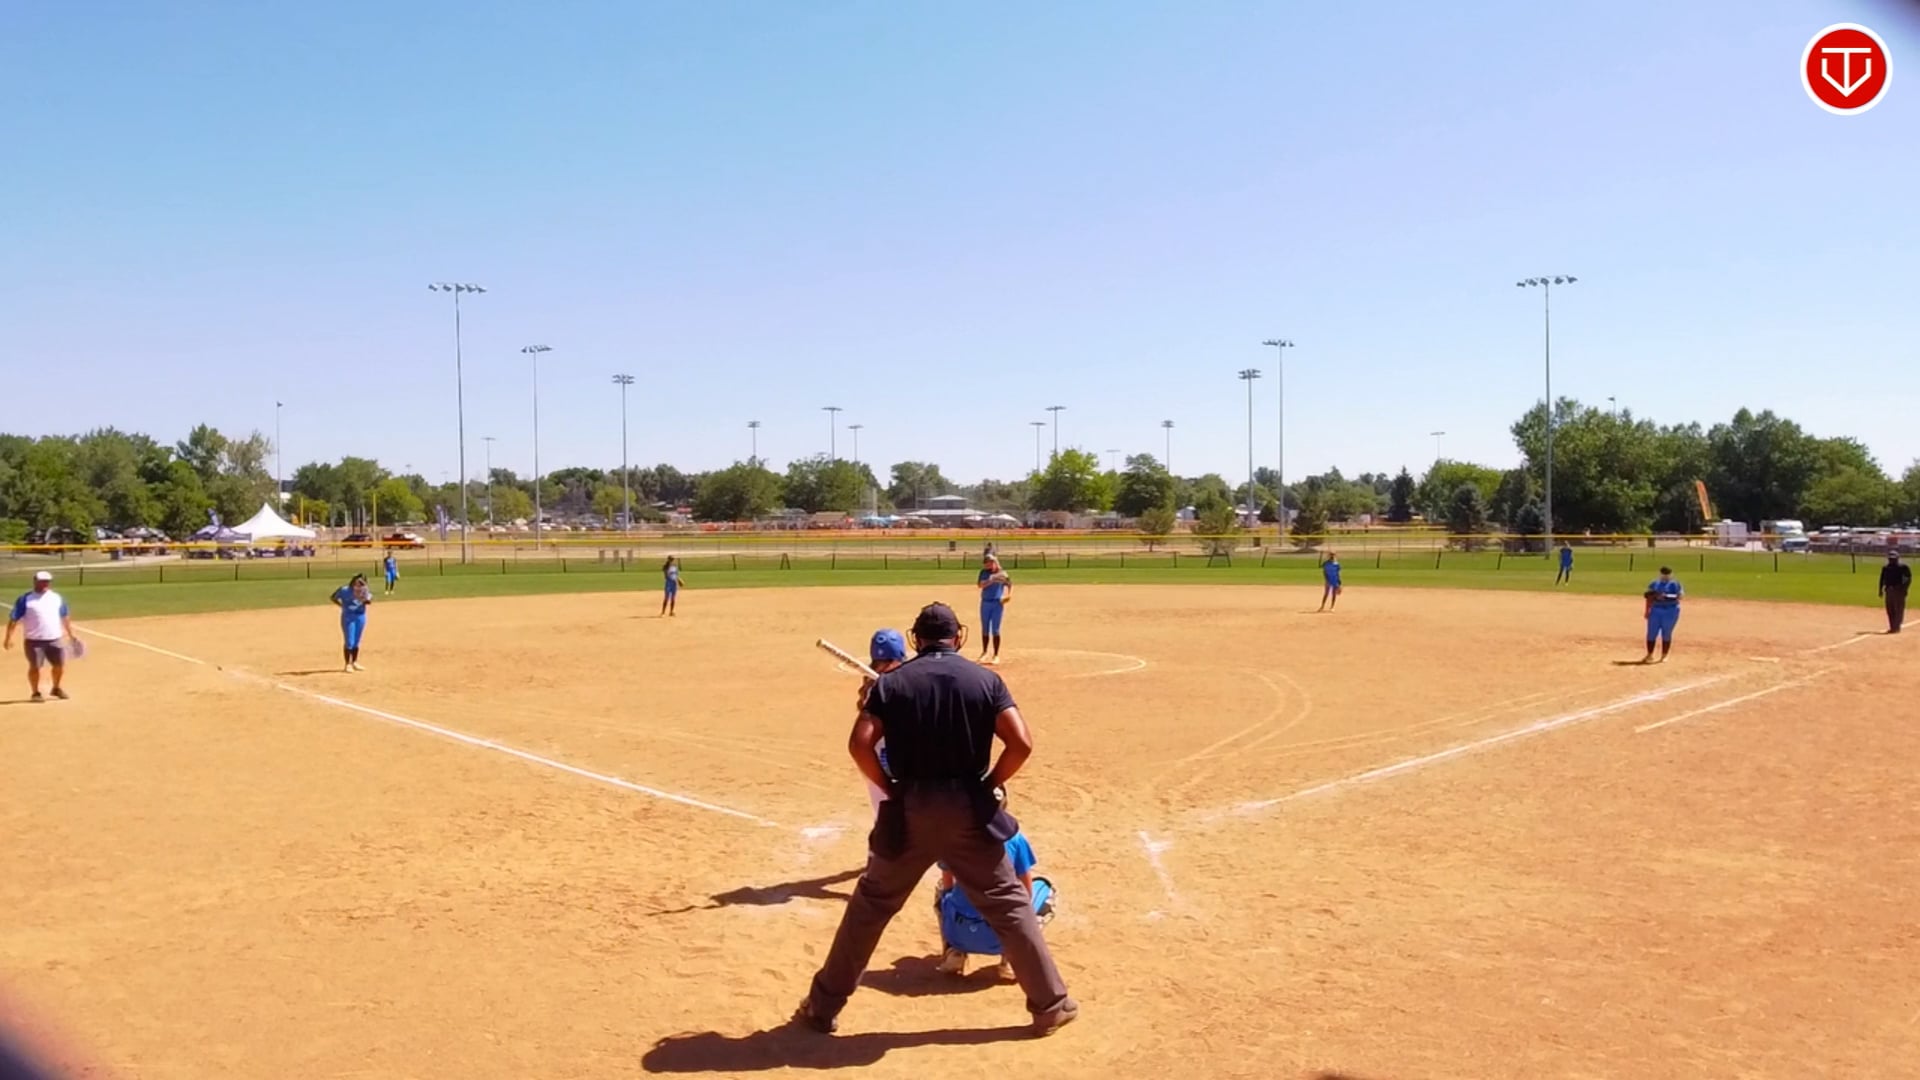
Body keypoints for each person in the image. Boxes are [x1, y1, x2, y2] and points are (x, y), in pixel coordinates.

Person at [795, 602, 1076, 1037]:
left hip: (909, 811)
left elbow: (859, 745)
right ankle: (1050, 1005)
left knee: (870, 907)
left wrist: (891, 788)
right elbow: (1021, 743)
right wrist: (988, 784)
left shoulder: (892, 684)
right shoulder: (986, 680)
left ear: (916, 639)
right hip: (969, 812)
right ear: (958, 637)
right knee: (1009, 905)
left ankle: (822, 1006)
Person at [933, 810, 1056, 980]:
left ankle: (954, 951)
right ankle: (1013, 958)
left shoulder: (953, 837)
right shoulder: (1015, 838)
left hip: (960, 934)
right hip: (999, 938)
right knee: (1045, 890)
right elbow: (1026, 887)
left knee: (943, 890)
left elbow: (947, 882)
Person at [5, 571, 78, 702]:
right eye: (42, 581)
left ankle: (56, 688)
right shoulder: (25, 599)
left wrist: (71, 633)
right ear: (35, 581)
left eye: (47, 581)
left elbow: (65, 616)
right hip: (34, 641)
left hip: (55, 639)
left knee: (59, 665)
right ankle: (35, 692)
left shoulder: (56, 597)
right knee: (35, 667)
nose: (45, 584)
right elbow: (14, 619)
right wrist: (8, 638)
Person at [860, 629, 909, 816]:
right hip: (901, 759)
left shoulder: (872, 688)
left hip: (879, 761)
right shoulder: (900, 684)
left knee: (883, 814)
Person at [331, 573, 372, 672]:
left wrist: (364, 599)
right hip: (348, 617)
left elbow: (369, 601)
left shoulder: (364, 591)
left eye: (363, 582)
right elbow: (333, 597)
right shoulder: (345, 590)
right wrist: (341, 605)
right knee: (349, 641)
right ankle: (347, 664)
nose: (360, 584)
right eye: (359, 581)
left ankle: (354, 662)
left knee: (357, 641)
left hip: (360, 616)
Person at [1642, 566, 1683, 663]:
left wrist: (1667, 596)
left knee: (1666, 632)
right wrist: (1647, 610)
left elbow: (1680, 596)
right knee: (1651, 632)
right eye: (1663, 574)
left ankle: (1664, 655)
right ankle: (1649, 654)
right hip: (1656, 610)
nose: (1665, 576)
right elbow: (1648, 598)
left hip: (1671, 610)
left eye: (1667, 574)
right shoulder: (1654, 584)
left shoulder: (1675, 584)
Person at [976, 555, 1012, 664]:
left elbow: (1009, 584)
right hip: (985, 602)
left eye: (990, 562)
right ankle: (984, 652)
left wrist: (1008, 595)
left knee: (995, 629)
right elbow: (980, 585)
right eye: (986, 563)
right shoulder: (984, 573)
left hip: (997, 603)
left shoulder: (1002, 573)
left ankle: (996, 655)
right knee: (985, 628)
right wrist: (991, 580)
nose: (987, 565)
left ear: (995, 562)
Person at [1880, 551, 1911, 634]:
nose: (1891, 560)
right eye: (1890, 559)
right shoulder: (1886, 568)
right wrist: (1880, 590)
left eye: (1893, 559)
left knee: (1898, 609)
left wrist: (1904, 589)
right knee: (1890, 609)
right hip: (1888, 590)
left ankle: (1896, 626)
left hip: (1898, 590)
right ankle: (1892, 626)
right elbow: (1882, 579)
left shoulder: (1903, 567)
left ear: (1897, 558)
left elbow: (1908, 579)